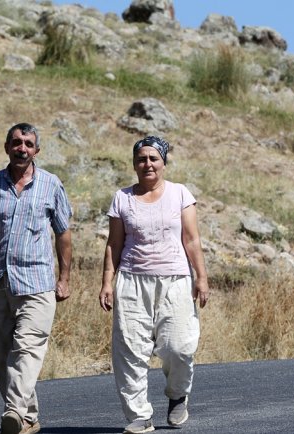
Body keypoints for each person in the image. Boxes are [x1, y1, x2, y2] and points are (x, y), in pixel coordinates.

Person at [0, 122, 73, 434]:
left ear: (36, 150)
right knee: (0, 355)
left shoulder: (51, 185)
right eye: (16, 142)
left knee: (26, 347)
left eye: (28, 143)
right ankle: (28, 417)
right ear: (7, 147)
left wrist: (64, 278)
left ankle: (13, 410)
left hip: (37, 282)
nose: (21, 148)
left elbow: (63, 234)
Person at [99, 135, 210, 434]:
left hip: (175, 280)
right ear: (134, 164)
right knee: (130, 351)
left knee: (179, 346)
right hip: (132, 281)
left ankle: (178, 394)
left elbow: (192, 239)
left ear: (163, 162)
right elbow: (114, 244)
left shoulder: (180, 194)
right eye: (141, 159)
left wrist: (201, 277)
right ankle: (139, 416)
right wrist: (107, 282)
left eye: (153, 158)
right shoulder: (122, 198)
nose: (147, 164)